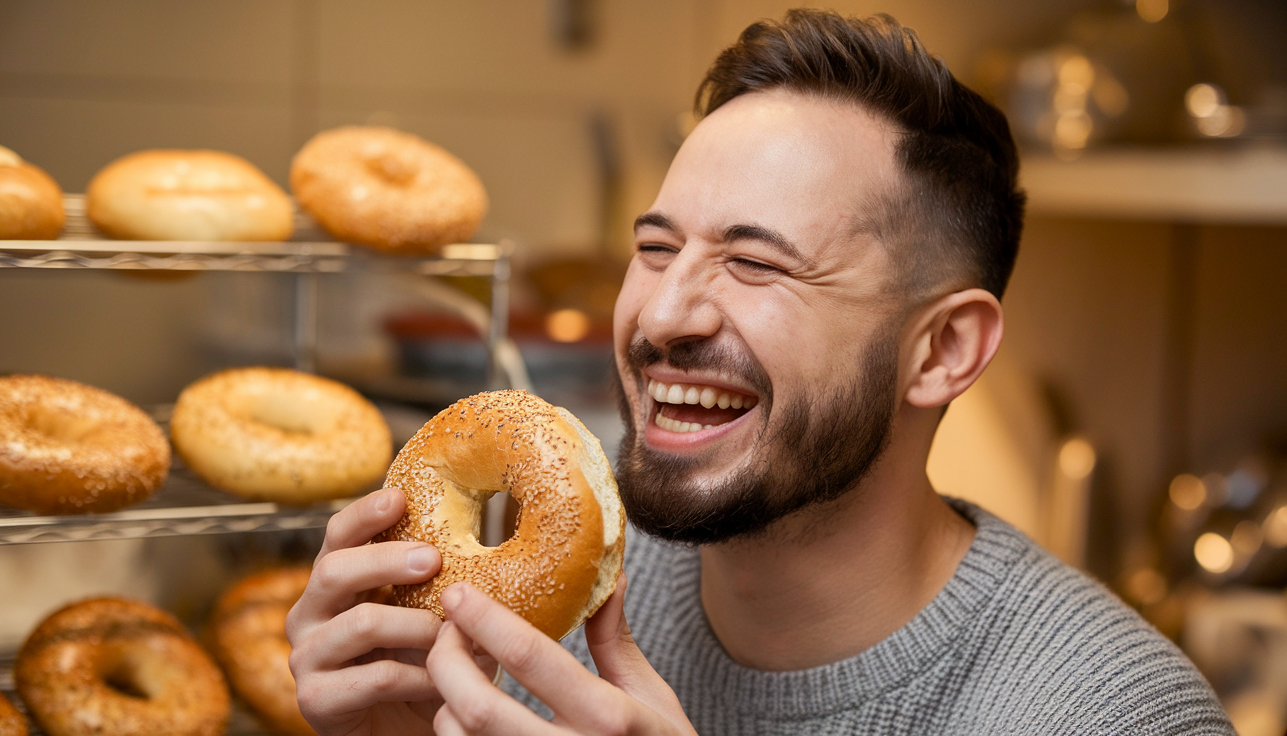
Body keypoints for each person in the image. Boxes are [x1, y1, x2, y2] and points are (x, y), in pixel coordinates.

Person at [286, 10, 1234, 735]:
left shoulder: (1110, 713)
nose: (662, 316)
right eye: (657, 249)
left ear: (941, 352)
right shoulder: (533, 628)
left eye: (756, 263)